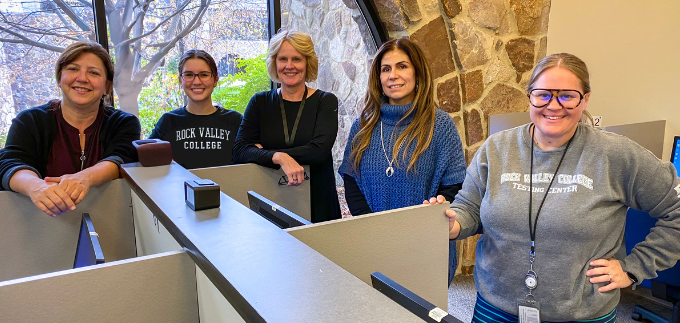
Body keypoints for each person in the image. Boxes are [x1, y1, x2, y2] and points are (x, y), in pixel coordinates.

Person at [428, 53, 680, 321]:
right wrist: (452, 224)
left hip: (580, 313)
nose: (554, 105)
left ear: (585, 100)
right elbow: (470, 206)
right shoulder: (497, 148)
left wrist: (634, 268)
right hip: (495, 306)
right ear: (530, 97)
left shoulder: (615, 154)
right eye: (543, 94)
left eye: (567, 96)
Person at [338, 38, 466, 284]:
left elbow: (454, 187)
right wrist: (374, 229)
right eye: (385, 69)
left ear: (417, 73)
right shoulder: (362, 126)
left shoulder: (440, 126)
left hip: (425, 246)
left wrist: (420, 225)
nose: (393, 75)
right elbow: (352, 181)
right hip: (372, 244)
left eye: (402, 66)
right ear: (378, 78)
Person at [0, 41, 141, 217]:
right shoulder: (30, 121)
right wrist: (35, 187)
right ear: (59, 78)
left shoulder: (123, 122)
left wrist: (85, 178)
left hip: (108, 219)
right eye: (73, 69)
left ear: (107, 86)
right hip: (39, 224)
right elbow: (11, 163)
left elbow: (121, 159)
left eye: (94, 72)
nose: (82, 78)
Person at [232, 29, 341, 223]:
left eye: (297, 59)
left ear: (308, 62)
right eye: (283, 59)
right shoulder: (259, 103)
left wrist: (264, 153)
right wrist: (279, 157)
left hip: (319, 202)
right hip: (272, 199)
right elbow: (239, 151)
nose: (289, 66)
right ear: (274, 63)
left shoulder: (325, 101)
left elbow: (318, 151)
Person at [149, 50, 242, 169]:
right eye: (188, 75)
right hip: (180, 187)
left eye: (204, 74)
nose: (196, 82)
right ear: (180, 80)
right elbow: (147, 160)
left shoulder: (235, 121)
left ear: (215, 80)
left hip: (227, 187)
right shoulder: (168, 122)